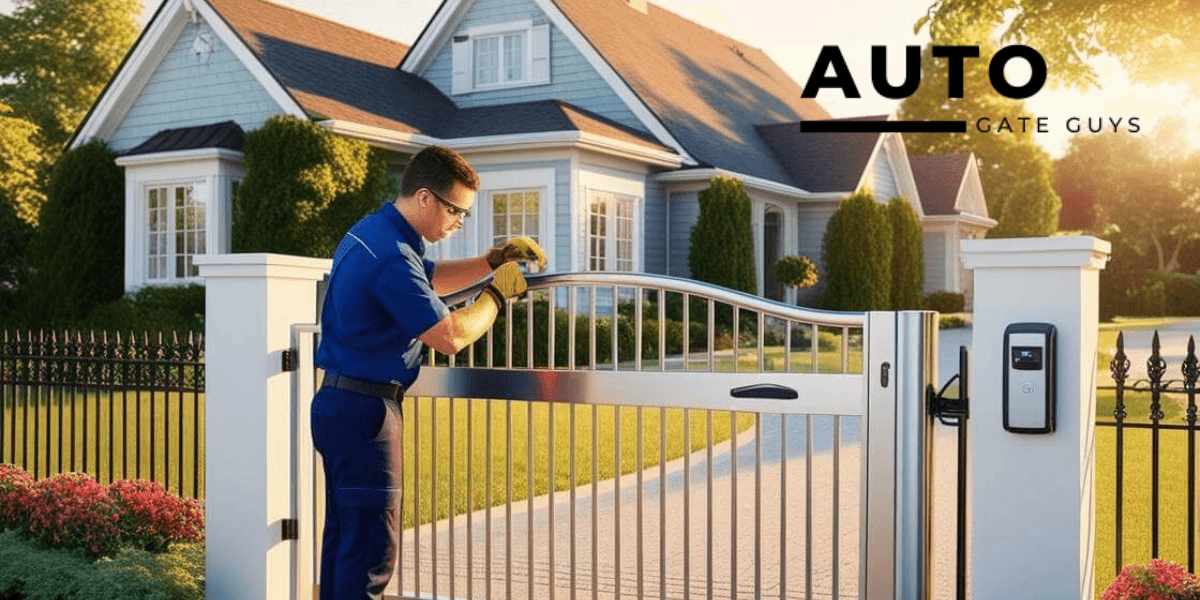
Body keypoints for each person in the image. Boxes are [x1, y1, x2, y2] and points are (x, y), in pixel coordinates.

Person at [310, 145, 546, 600]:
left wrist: (491, 260)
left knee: (344, 544)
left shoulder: (372, 233)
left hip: (339, 406)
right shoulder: (393, 255)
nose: (459, 221)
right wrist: (496, 296)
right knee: (370, 557)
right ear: (424, 197)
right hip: (366, 416)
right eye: (456, 210)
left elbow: (430, 279)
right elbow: (451, 336)